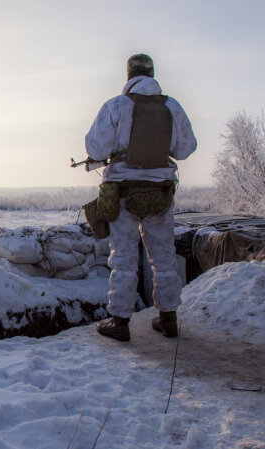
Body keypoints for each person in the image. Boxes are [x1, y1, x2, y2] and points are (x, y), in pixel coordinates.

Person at [86, 54, 197, 342]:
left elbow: (95, 147)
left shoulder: (116, 105)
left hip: (124, 191)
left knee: (123, 258)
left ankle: (120, 322)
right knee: (163, 257)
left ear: (129, 76)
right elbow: (186, 148)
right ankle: (168, 318)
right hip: (161, 192)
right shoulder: (172, 106)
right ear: (152, 75)